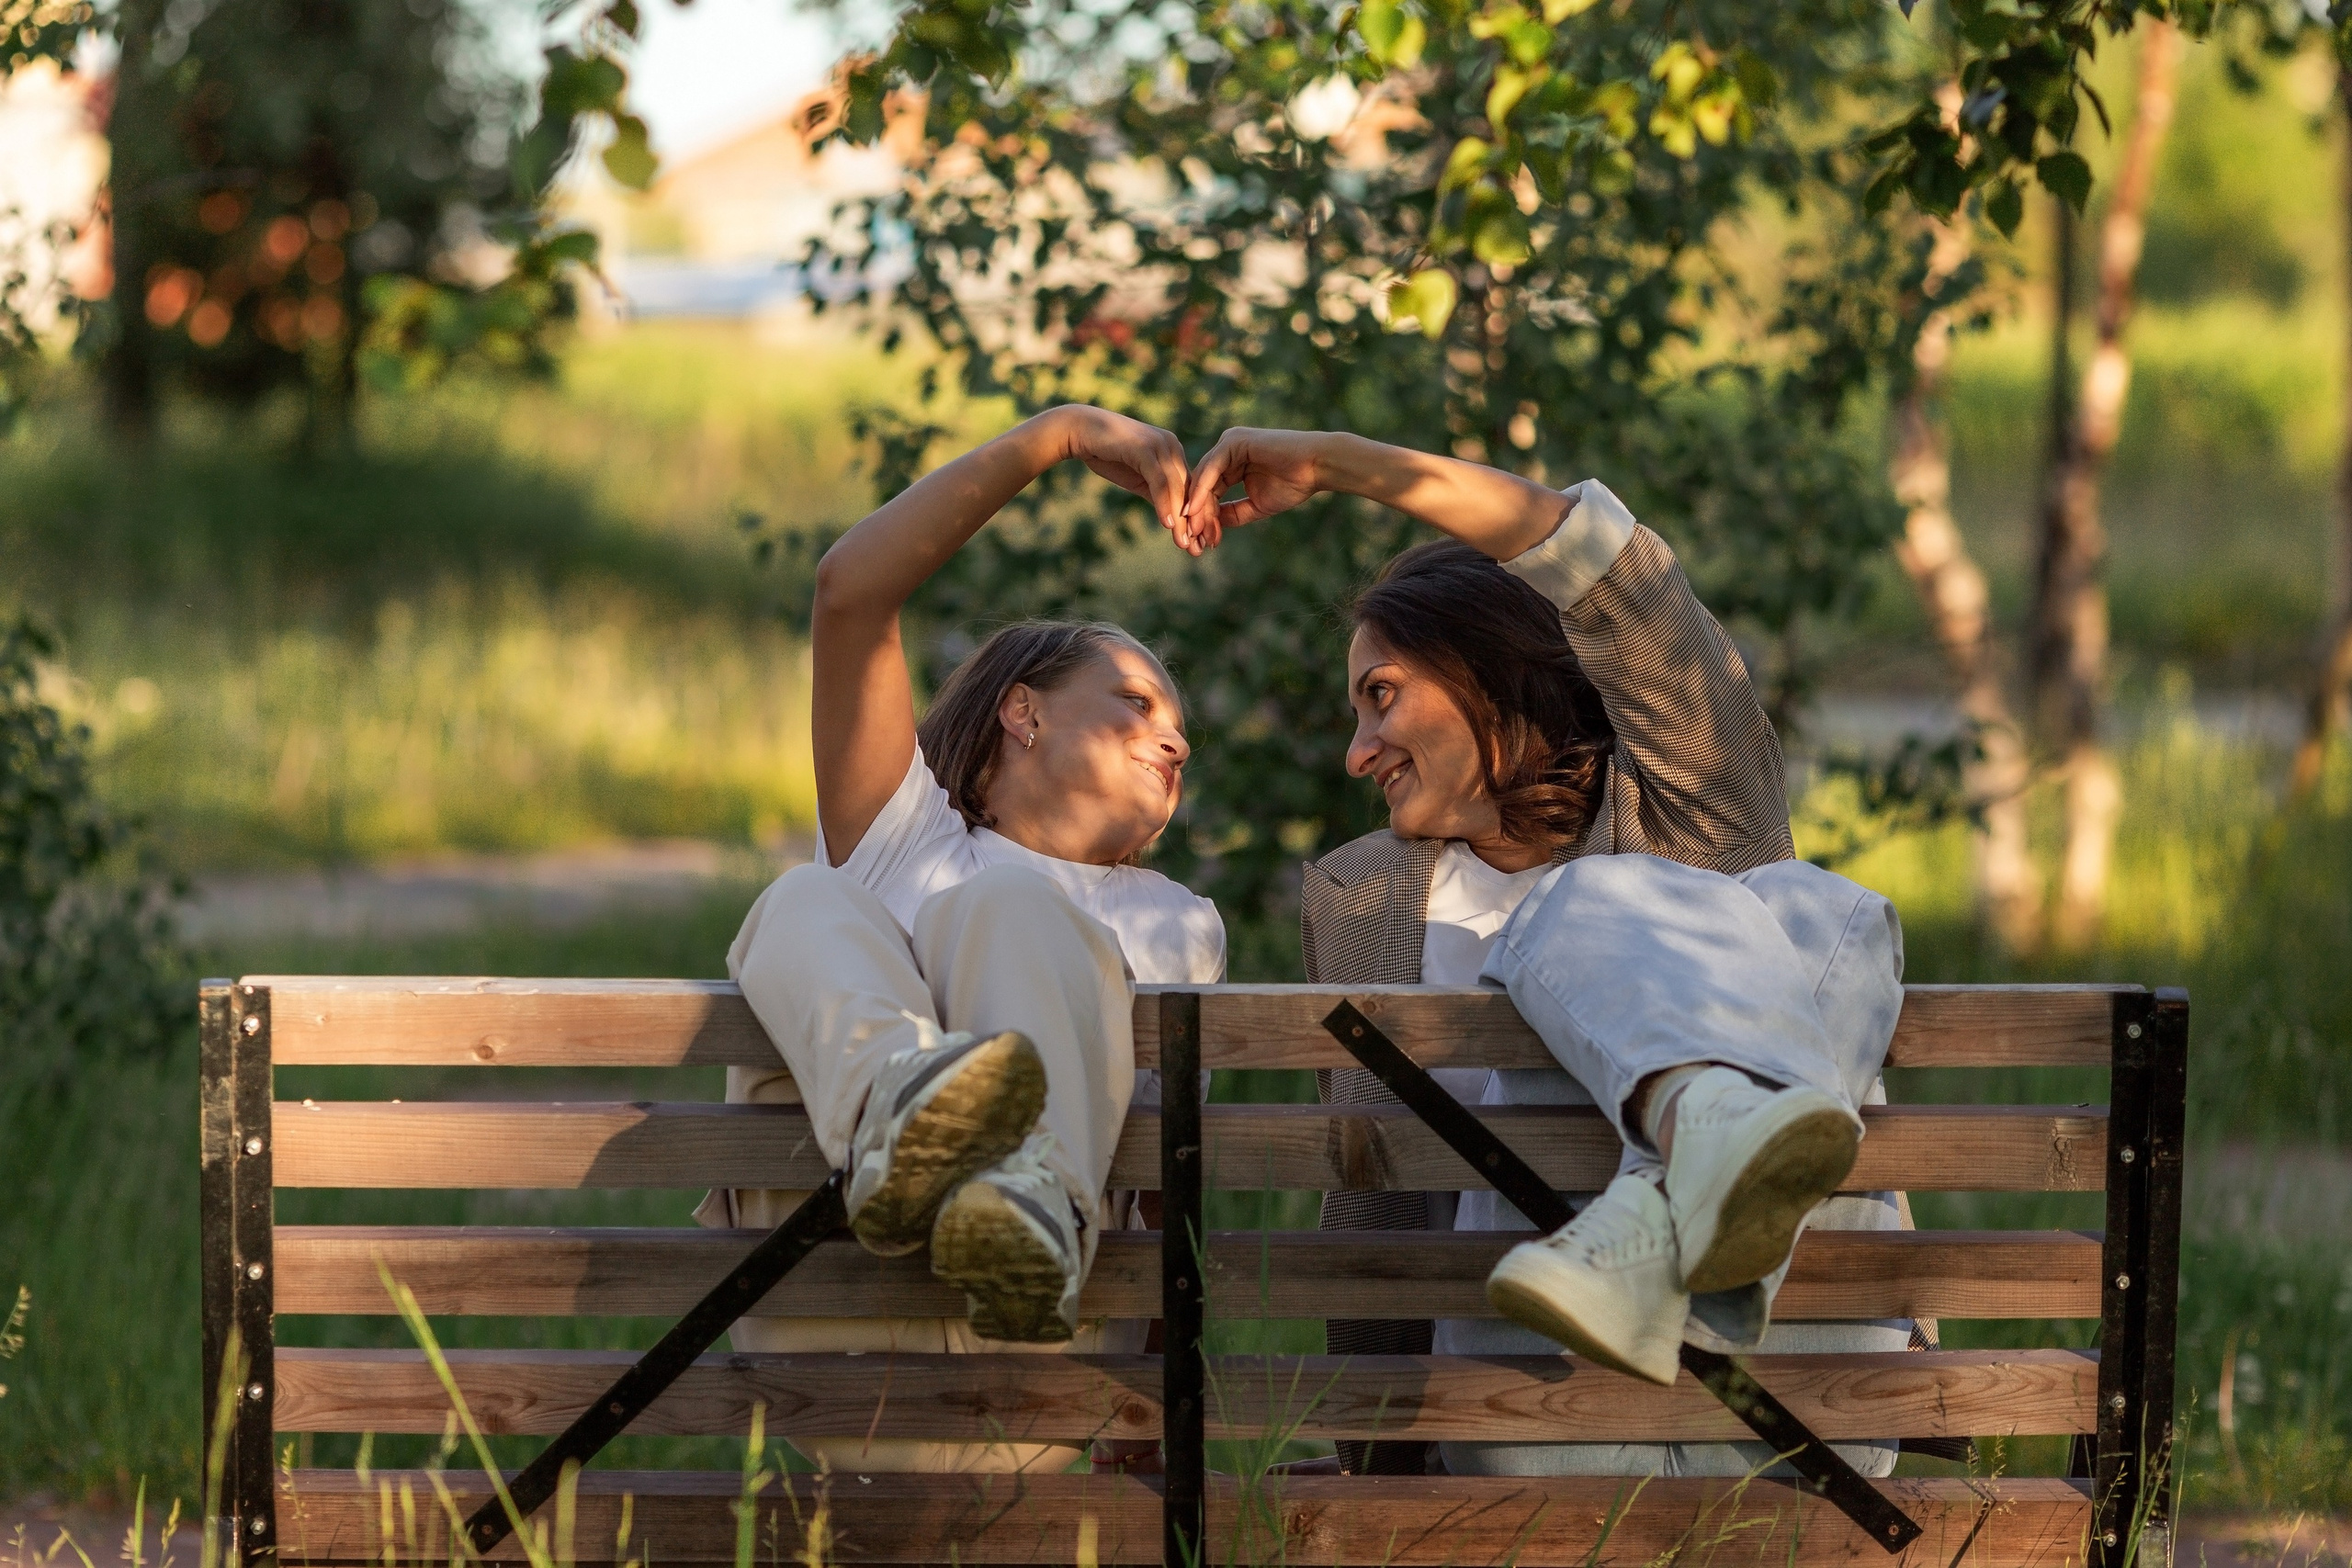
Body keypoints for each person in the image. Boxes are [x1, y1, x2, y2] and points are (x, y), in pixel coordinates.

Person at [1177, 430, 1916, 1479]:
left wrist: (1338, 464)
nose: (1355, 753)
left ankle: (1672, 1209)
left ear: (1484, 669)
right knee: (1779, 914)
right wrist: (1377, 1459)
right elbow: (1379, 1201)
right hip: (1541, 1397)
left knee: (1793, 904)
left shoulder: (1694, 817)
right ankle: (1692, 1180)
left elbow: (1619, 576)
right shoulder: (1365, 899)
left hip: (1788, 1391)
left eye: (1379, 695)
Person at [697, 403, 1223, 1476]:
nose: (1173, 737)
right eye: (1134, 702)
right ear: (1022, 715)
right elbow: (852, 589)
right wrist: (1060, 436)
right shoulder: (904, 843)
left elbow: (1174, 1195)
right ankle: (903, 1107)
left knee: (1014, 915)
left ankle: (1014, 1202)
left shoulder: (1178, 923)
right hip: (832, 1321)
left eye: (1180, 728)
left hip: (1033, 1344)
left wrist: (1152, 1434)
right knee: (806, 900)